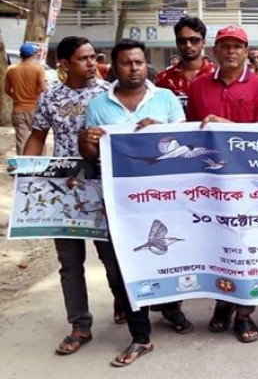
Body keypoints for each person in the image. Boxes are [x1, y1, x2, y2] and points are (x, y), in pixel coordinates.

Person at [79, 38, 187, 366]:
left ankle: (171, 307)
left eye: (138, 62)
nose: (134, 68)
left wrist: (162, 130)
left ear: (146, 64)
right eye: (126, 63)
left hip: (165, 196)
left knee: (170, 254)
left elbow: (183, 145)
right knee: (127, 263)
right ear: (115, 67)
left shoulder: (166, 99)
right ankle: (141, 335)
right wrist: (87, 141)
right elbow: (91, 156)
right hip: (120, 200)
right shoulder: (98, 105)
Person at [23, 36, 122, 356]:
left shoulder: (108, 94)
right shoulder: (50, 97)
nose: (92, 63)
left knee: (111, 257)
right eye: (84, 58)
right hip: (62, 189)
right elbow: (38, 136)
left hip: (101, 185)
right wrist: (27, 172)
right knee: (70, 262)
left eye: (94, 57)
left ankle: (122, 300)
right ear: (64, 64)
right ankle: (80, 325)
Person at [185, 26, 258, 343]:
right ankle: (222, 303)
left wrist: (230, 126)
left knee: (248, 246)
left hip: (249, 182)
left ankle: (244, 313)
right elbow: (190, 132)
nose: (231, 52)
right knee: (217, 245)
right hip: (211, 182)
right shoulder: (198, 86)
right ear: (214, 51)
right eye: (224, 46)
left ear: (246, 51)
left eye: (237, 46)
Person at [155, 16, 215, 97]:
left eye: (194, 40)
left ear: (203, 43)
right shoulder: (163, 79)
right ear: (177, 43)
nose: (188, 45)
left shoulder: (218, 75)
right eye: (182, 41)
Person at [5, 43, 46, 154]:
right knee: (38, 139)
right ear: (33, 55)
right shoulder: (38, 69)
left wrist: (18, 98)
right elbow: (43, 89)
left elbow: (7, 90)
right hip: (35, 109)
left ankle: (22, 163)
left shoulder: (11, 69)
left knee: (21, 141)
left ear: (20, 55)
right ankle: (41, 163)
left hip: (18, 110)